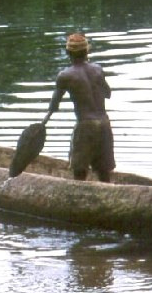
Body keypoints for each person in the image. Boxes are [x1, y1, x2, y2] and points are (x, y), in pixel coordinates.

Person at [42, 33, 115, 182]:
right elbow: (108, 94)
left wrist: (43, 123)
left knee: (79, 171)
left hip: (86, 125)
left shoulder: (65, 76)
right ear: (87, 51)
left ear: (68, 53)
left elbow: (54, 106)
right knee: (104, 172)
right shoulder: (97, 69)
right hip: (104, 124)